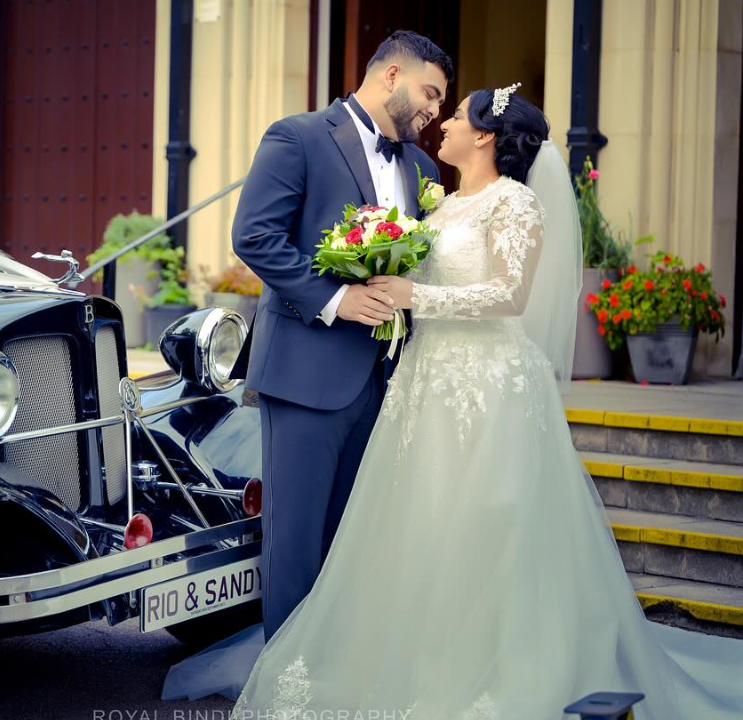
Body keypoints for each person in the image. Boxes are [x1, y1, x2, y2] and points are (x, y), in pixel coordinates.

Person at [163, 85, 743, 719]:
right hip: (422, 381)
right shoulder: (439, 203)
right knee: (414, 523)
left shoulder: (514, 203)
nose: (441, 123)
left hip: (484, 385)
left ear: (486, 136)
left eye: (456, 114)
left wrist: (417, 297)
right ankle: (409, 655)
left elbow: (510, 297)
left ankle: (487, 664)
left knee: (482, 521)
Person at [226, 29, 452, 643]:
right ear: (389, 76)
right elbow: (254, 237)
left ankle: (332, 670)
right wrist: (336, 298)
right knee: (294, 544)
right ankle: (284, 689)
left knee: (351, 543)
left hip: (381, 380)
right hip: (304, 375)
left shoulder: (422, 168)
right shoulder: (297, 137)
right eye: (429, 94)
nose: (434, 112)